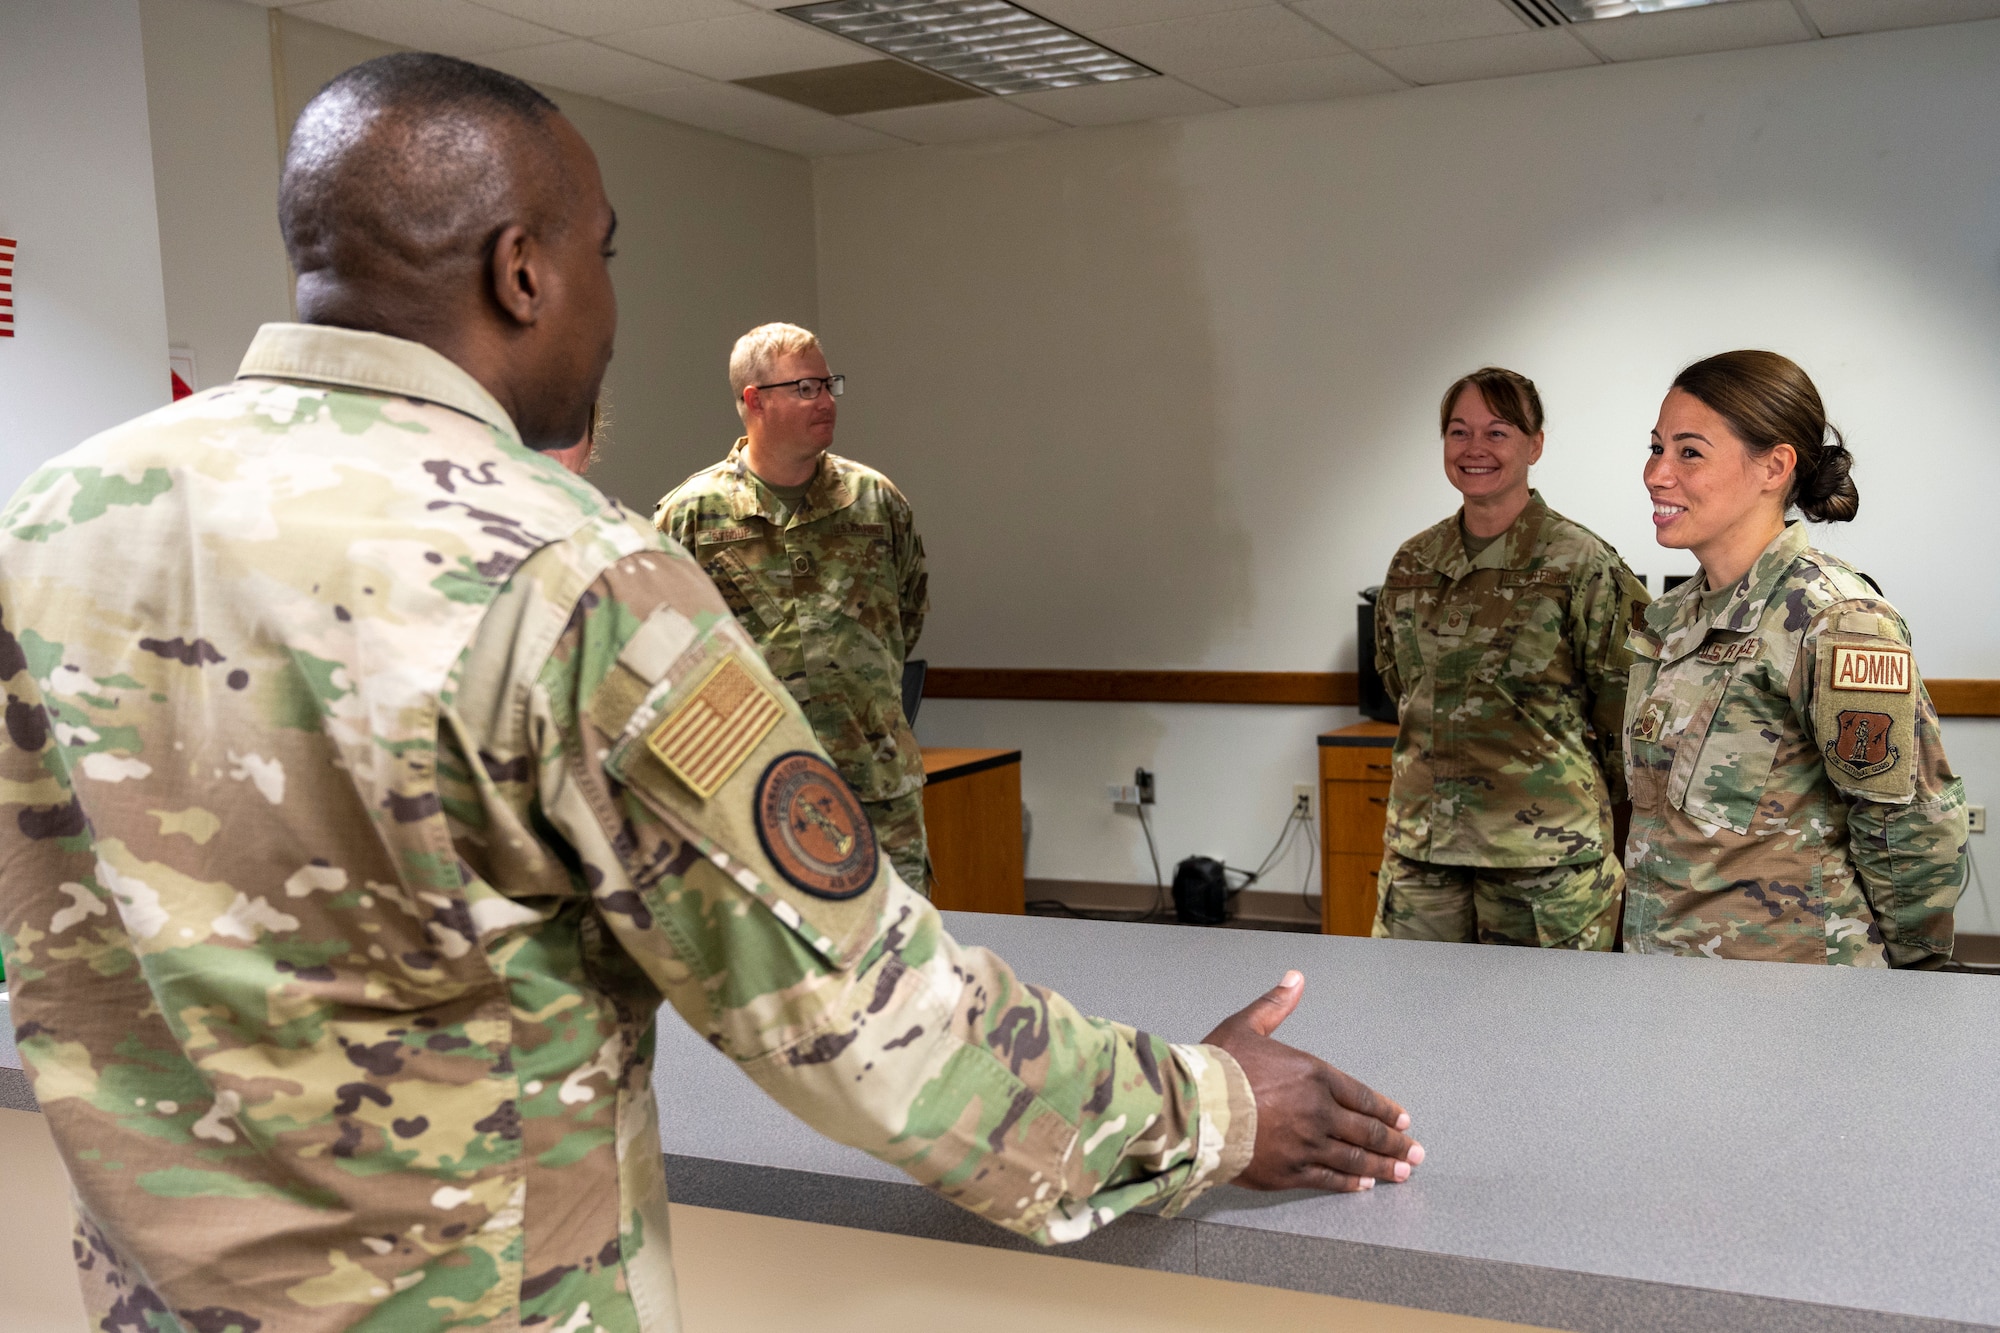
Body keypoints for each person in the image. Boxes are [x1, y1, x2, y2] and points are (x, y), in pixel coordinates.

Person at [0, 54, 1421, 1332]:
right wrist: (1220, 1106)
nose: (615, 307)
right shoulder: (565, 575)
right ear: (522, 270)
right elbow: (875, 1028)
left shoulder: (52, 523)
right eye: (602, 254)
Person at [1624, 350, 1966, 964]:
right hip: (1669, 992)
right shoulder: (1672, 619)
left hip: (1795, 1004)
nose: (1657, 473)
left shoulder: (1836, 620)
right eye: (1656, 448)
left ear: (1774, 466)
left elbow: (1907, 832)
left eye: (1689, 452)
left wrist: (1919, 991)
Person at [1373, 367, 1648, 950]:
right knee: (1406, 1025)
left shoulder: (1580, 563)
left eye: (1497, 432)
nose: (1475, 449)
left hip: (1544, 860)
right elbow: (1399, 683)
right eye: (1458, 432)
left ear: (1535, 444)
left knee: (1549, 1035)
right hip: (1424, 853)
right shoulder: (1413, 562)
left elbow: (1626, 707)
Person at [654, 325, 933, 894]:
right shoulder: (692, 516)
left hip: (875, 790)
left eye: (828, 384)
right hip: (750, 798)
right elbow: (665, 654)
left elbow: (908, 615)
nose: (826, 401)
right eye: (806, 387)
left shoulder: (876, 502)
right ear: (755, 400)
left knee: (902, 963)